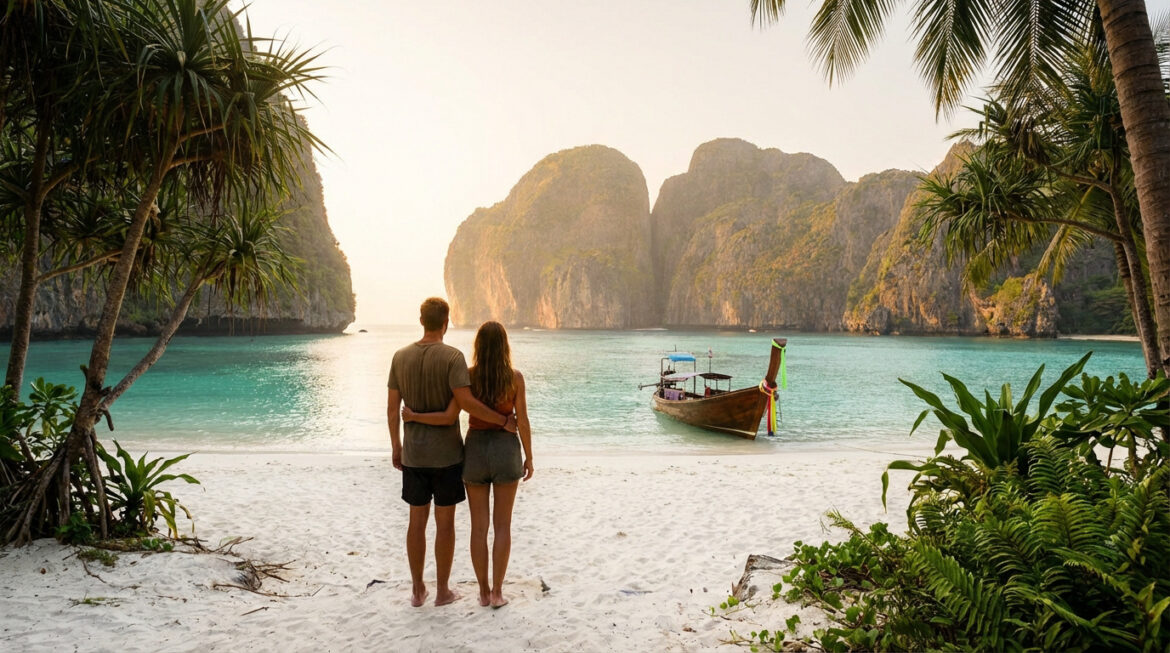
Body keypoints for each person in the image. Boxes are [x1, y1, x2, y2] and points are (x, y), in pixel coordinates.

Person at [387, 298, 517, 608]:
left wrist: (396, 446)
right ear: (446, 322)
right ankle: (443, 590)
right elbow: (464, 405)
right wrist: (502, 420)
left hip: (414, 456)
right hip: (446, 456)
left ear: (422, 321)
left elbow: (393, 410)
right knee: (445, 525)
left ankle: (418, 590)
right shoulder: (452, 357)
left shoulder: (399, 357)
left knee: (415, 523)